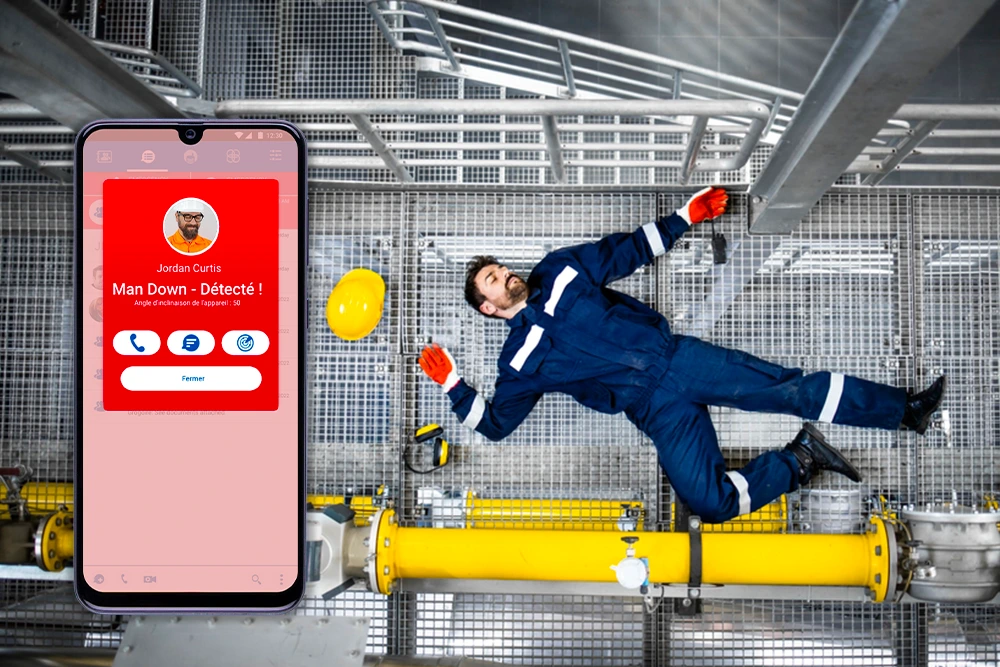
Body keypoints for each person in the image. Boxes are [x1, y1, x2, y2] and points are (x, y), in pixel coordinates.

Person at [418, 187, 947, 524]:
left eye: (499, 268)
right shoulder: (517, 363)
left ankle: (906, 411)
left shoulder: (558, 271)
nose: (504, 274)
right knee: (711, 504)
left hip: (678, 360)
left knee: (793, 390)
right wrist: (453, 387)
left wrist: (683, 217)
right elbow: (495, 424)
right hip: (654, 410)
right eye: (492, 280)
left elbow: (621, 252)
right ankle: (803, 458)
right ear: (489, 309)